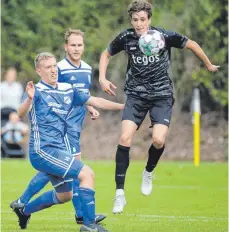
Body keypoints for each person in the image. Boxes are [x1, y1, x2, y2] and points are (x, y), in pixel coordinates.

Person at [99, 0, 220, 214]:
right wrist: (102, 78)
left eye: (142, 20)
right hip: (136, 96)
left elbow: (191, 44)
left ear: (149, 20)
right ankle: (119, 194)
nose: (139, 24)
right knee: (125, 138)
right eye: (135, 20)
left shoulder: (163, 36)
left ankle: (148, 171)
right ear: (131, 20)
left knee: (158, 139)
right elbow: (106, 54)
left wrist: (208, 64)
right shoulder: (126, 38)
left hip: (161, 97)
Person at [12, 52, 124, 232]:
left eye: (54, 65)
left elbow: (96, 100)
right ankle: (89, 225)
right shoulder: (36, 91)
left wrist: (124, 107)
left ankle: (24, 210)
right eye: (48, 67)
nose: (53, 70)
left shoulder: (67, 89)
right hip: (43, 151)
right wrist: (30, 98)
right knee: (87, 174)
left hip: (59, 149)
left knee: (65, 195)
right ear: (38, 71)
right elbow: (20, 113)